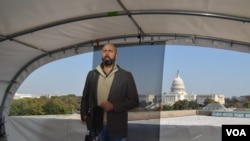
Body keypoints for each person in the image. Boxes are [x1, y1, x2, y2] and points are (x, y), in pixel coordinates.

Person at [81, 43, 139, 141]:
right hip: (95, 128)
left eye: (110, 51)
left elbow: (134, 101)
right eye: (104, 51)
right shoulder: (91, 75)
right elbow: (85, 97)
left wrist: (114, 106)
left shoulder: (126, 76)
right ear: (101, 55)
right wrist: (84, 115)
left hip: (117, 129)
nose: (107, 53)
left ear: (116, 56)